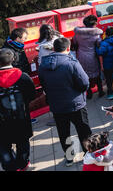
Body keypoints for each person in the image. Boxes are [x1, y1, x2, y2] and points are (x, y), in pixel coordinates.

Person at [38, 37, 92, 167]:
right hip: (75, 104)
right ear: (68, 48)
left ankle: (69, 157)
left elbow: (44, 85)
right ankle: (88, 154)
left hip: (57, 105)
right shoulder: (71, 63)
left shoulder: (43, 65)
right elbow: (84, 83)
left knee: (63, 132)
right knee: (83, 130)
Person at [0, 48, 36, 171]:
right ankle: (23, 164)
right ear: (13, 59)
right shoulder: (22, 76)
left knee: (4, 145)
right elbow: (32, 94)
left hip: (2, 122)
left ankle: (10, 166)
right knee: (23, 143)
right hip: (21, 117)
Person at [72, 15, 104, 99]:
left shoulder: (77, 34)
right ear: (94, 24)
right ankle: (100, 91)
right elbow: (99, 44)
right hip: (92, 56)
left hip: (81, 55)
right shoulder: (96, 35)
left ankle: (89, 93)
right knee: (97, 74)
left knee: (84, 74)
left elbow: (74, 43)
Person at [96, 27, 113, 100]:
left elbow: (100, 54)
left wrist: (101, 65)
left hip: (107, 65)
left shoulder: (104, 43)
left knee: (109, 80)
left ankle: (111, 94)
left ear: (106, 34)